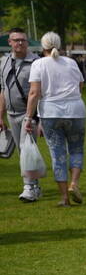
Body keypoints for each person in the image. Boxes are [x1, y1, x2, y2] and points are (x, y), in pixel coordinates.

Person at [24, 32, 86, 207]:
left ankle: (64, 197)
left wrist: (28, 117)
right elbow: (80, 85)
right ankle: (74, 183)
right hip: (76, 110)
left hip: (51, 112)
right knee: (76, 149)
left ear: (42, 46)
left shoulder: (38, 64)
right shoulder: (71, 62)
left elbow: (34, 93)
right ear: (58, 45)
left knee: (57, 154)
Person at [0, 27, 41, 202]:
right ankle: (34, 185)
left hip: (28, 113)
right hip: (11, 113)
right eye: (16, 40)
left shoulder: (36, 62)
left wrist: (32, 117)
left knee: (26, 150)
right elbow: (3, 90)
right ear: (9, 43)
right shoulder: (3, 61)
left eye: (23, 40)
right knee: (21, 151)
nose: (20, 43)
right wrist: (0, 115)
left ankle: (29, 188)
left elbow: (39, 92)